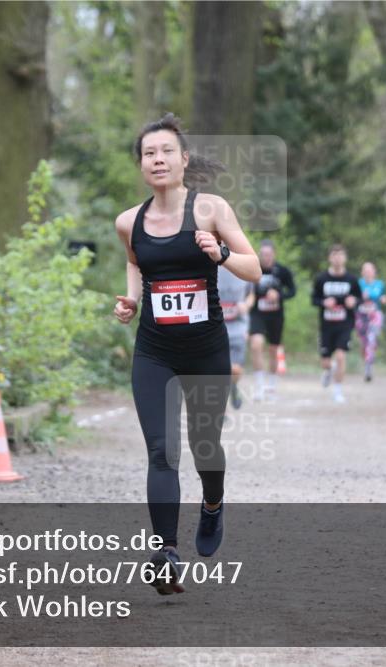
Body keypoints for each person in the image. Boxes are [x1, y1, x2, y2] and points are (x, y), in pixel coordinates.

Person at [113, 114, 261, 595]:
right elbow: (136, 263)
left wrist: (218, 254)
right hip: (154, 350)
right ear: (141, 164)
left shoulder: (211, 210)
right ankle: (165, 552)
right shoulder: (128, 222)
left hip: (205, 350)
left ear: (183, 159)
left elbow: (254, 268)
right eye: (149, 153)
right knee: (161, 451)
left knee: (204, 446)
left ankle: (213, 504)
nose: (157, 159)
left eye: (165, 151)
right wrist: (132, 299)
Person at [312, 244, 362, 403]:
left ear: (345, 258)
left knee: (340, 356)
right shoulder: (322, 279)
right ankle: (328, 370)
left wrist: (353, 301)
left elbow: (359, 299)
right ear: (329, 258)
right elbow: (314, 299)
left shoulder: (352, 280)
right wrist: (323, 303)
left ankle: (338, 392)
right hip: (326, 325)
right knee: (326, 362)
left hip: (345, 324)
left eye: (340, 255)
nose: (337, 258)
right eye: (334, 255)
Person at [248, 240, 296, 400]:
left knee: (274, 350)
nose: (266, 258)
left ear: (274, 254)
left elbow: (292, 291)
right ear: (259, 255)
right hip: (257, 314)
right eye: (263, 255)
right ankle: (259, 386)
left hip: (276, 315)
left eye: (269, 255)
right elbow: (246, 289)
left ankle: (272, 385)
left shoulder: (282, 271)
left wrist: (279, 295)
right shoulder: (253, 269)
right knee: (256, 345)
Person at [218, 265, 254, 409]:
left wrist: (246, 305)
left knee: (235, 369)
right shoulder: (208, 266)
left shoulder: (241, 264)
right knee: (218, 369)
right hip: (216, 327)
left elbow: (251, 294)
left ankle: (233, 387)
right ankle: (222, 408)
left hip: (238, 326)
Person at [355, 261, 386, 382]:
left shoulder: (380, 284)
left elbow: (383, 297)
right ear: (362, 272)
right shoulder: (357, 284)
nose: (368, 272)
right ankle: (366, 362)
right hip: (361, 315)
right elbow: (352, 299)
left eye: (370, 270)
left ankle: (369, 367)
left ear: (374, 272)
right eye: (365, 270)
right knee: (364, 342)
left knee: (372, 338)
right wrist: (359, 298)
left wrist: (384, 299)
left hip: (375, 315)